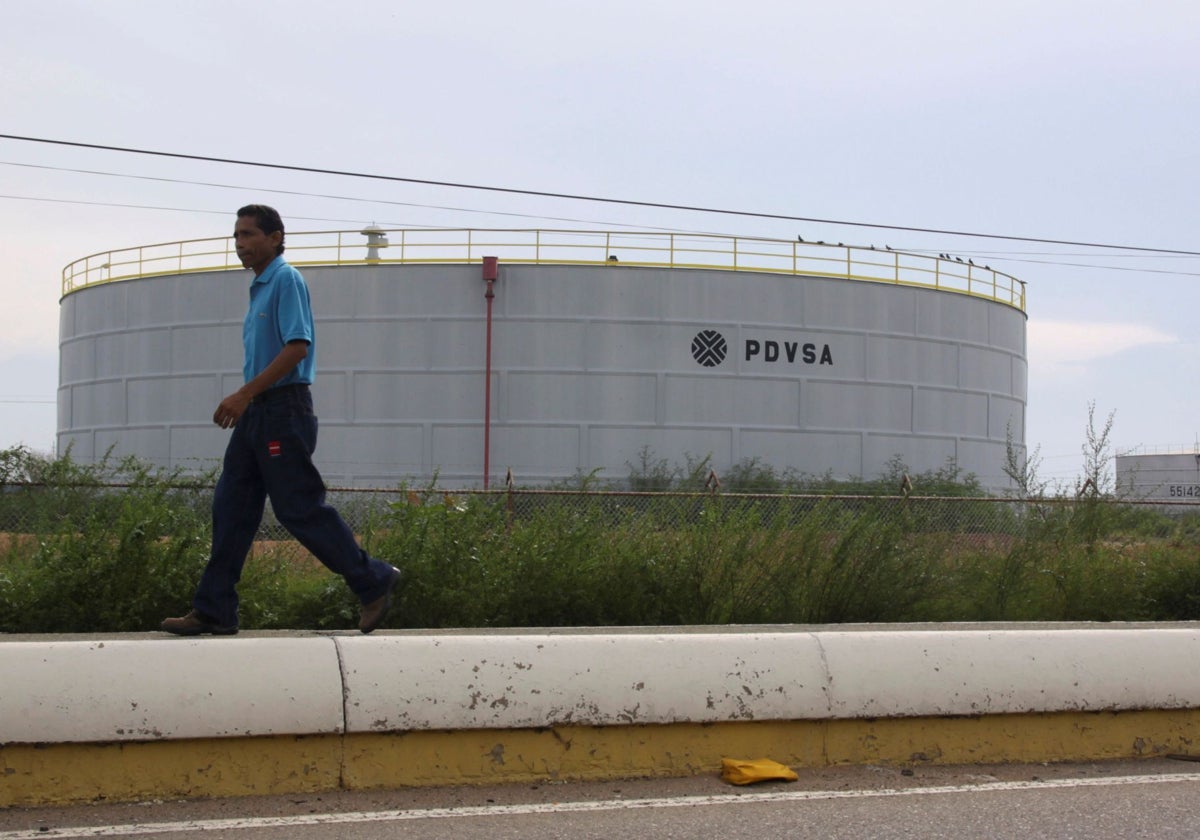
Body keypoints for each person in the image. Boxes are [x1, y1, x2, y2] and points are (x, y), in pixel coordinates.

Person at [162, 205, 400, 636]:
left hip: (282, 409)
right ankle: (214, 608)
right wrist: (249, 401)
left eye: (249, 235)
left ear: (275, 238)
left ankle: (372, 580)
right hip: (258, 413)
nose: (241, 244)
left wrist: (243, 393)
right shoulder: (259, 288)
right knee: (230, 508)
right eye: (236, 236)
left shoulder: (285, 280)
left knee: (297, 507)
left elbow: (297, 347)